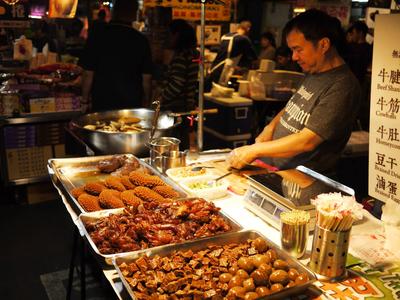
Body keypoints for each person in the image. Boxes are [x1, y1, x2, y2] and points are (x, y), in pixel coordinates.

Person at [227, 9, 360, 175]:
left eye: (298, 49)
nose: (294, 57)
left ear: (323, 45)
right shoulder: (313, 71)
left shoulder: (343, 85)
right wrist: (270, 127)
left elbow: (307, 141)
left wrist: (257, 150)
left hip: (301, 178)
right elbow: (292, 106)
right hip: (273, 168)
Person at [79, 0, 152, 112]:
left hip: (102, 102)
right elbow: (146, 78)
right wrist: (147, 102)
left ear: (113, 12)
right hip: (131, 104)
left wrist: (84, 100)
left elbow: (88, 73)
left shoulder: (97, 36)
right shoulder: (141, 40)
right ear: (134, 13)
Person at [160, 19, 199, 112]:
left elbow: (176, 85)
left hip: (175, 108)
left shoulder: (181, 57)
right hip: (188, 105)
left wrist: (160, 99)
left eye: (168, 34)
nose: (166, 38)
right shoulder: (194, 53)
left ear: (176, 35)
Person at [206, 20, 257, 89]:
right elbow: (254, 58)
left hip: (213, 68)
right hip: (224, 71)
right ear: (248, 29)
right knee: (220, 92)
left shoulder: (224, 36)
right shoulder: (244, 39)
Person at [345, 21, 372, 85]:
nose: (352, 35)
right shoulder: (369, 48)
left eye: (353, 32)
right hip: (351, 81)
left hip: (358, 82)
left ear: (360, 33)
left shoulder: (368, 49)